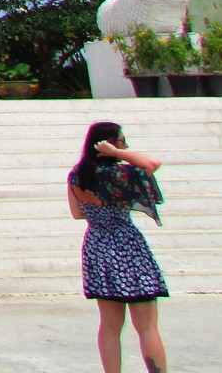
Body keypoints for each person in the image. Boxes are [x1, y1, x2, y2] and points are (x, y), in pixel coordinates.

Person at [67, 122, 169, 373]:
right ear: (110, 143)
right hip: (127, 246)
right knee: (147, 326)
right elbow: (151, 164)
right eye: (122, 141)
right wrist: (117, 154)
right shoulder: (121, 173)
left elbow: (77, 214)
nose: (126, 145)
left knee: (110, 325)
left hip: (98, 247)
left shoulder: (77, 175)